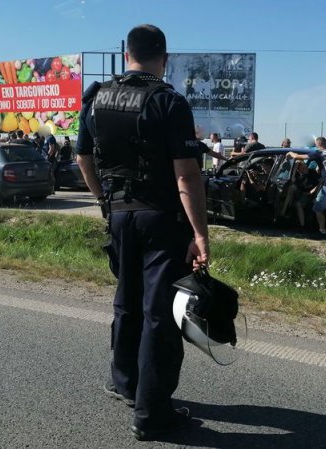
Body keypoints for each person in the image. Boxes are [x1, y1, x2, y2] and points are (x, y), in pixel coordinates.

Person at [75, 24, 208, 441]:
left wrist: (104, 202)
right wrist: (200, 234)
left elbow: (82, 158)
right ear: (164, 58)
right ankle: (152, 414)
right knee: (158, 314)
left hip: (118, 216)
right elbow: (186, 176)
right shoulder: (169, 101)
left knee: (126, 302)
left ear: (126, 54)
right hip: (160, 220)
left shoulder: (96, 99)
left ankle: (126, 383)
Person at [287, 137, 326, 243]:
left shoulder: (318, 153)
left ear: (317, 144)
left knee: (317, 209)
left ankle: (322, 232)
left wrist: (290, 152)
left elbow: (297, 156)